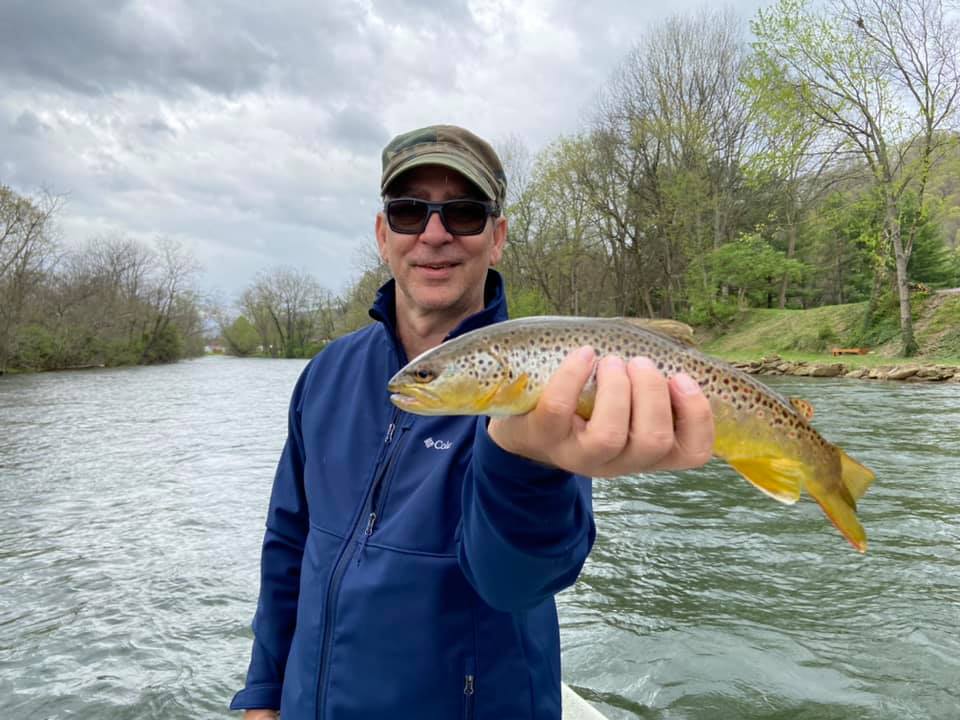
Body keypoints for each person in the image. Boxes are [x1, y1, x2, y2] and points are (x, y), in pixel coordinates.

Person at [230, 125, 715, 720]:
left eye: (463, 213)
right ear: (383, 236)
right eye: (409, 213)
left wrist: (523, 463)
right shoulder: (326, 373)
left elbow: (516, 585)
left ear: (498, 236)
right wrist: (263, 696)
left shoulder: (548, 387)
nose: (434, 234)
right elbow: (287, 543)